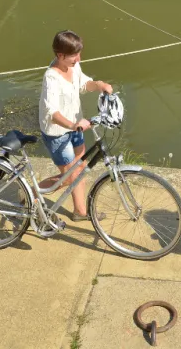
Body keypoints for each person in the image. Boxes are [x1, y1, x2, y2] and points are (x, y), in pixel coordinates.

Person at [38, 30, 113, 222]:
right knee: (69, 178)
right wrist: (73, 124)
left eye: (79, 53)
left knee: (80, 169)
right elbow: (52, 114)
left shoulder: (74, 66)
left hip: (76, 128)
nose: (78, 58)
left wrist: (99, 85)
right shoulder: (51, 78)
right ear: (60, 55)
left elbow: (83, 84)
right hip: (58, 133)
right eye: (74, 55)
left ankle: (80, 212)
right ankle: (30, 191)